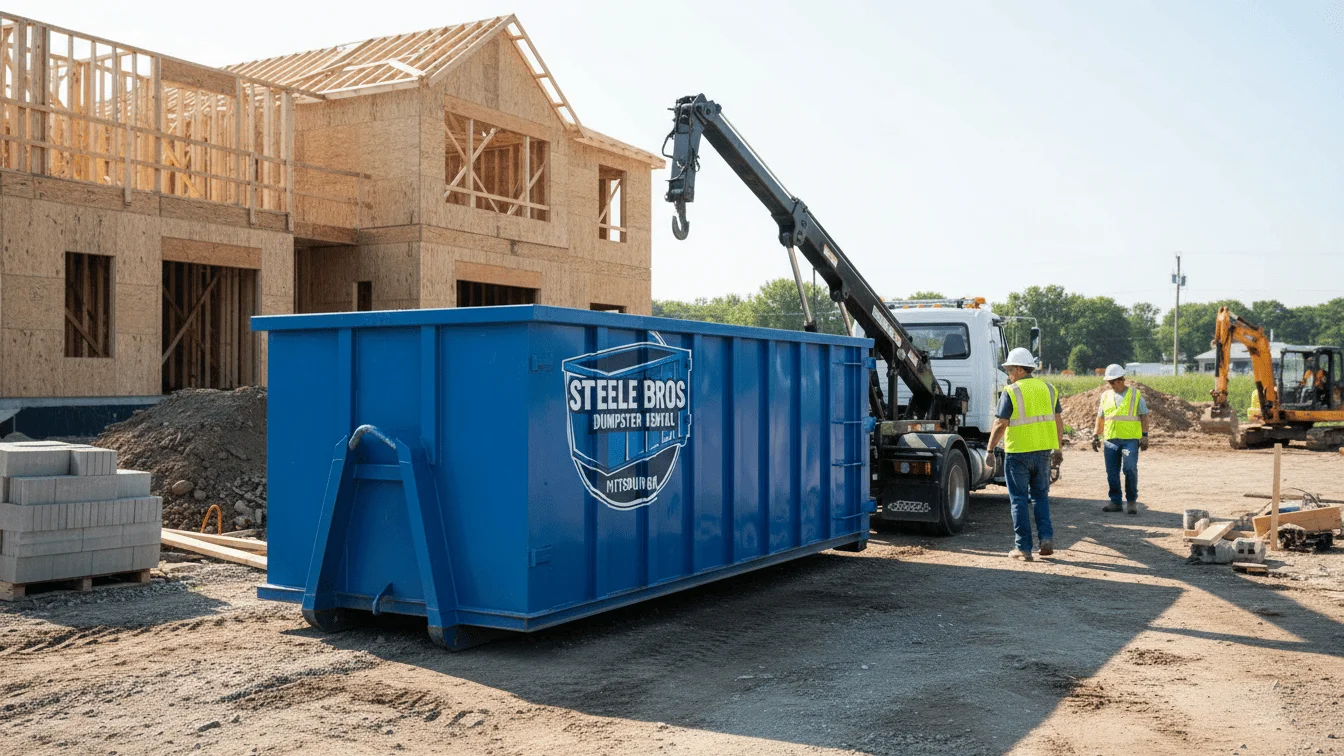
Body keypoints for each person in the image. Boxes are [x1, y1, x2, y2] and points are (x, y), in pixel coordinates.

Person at [986, 347, 1064, 562]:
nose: (1008, 375)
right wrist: (1058, 448)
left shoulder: (1011, 391)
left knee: (1019, 500)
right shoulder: (1049, 389)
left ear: (1020, 369)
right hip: (1043, 453)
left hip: (1018, 453)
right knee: (1040, 497)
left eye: (1010, 370)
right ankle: (1046, 539)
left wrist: (990, 450)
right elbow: (1058, 420)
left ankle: (1023, 548)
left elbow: (1001, 423)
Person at [1090, 364, 1149, 515]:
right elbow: (1101, 418)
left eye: (1111, 382)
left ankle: (1131, 501)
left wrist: (1144, 435)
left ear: (1120, 380)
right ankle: (1115, 501)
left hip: (1130, 440)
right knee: (1112, 472)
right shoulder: (1105, 396)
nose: (1110, 385)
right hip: (1110, 439)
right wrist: (1096, 435)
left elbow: (1144, 415)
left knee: (1129, 468)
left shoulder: (1135, 395)